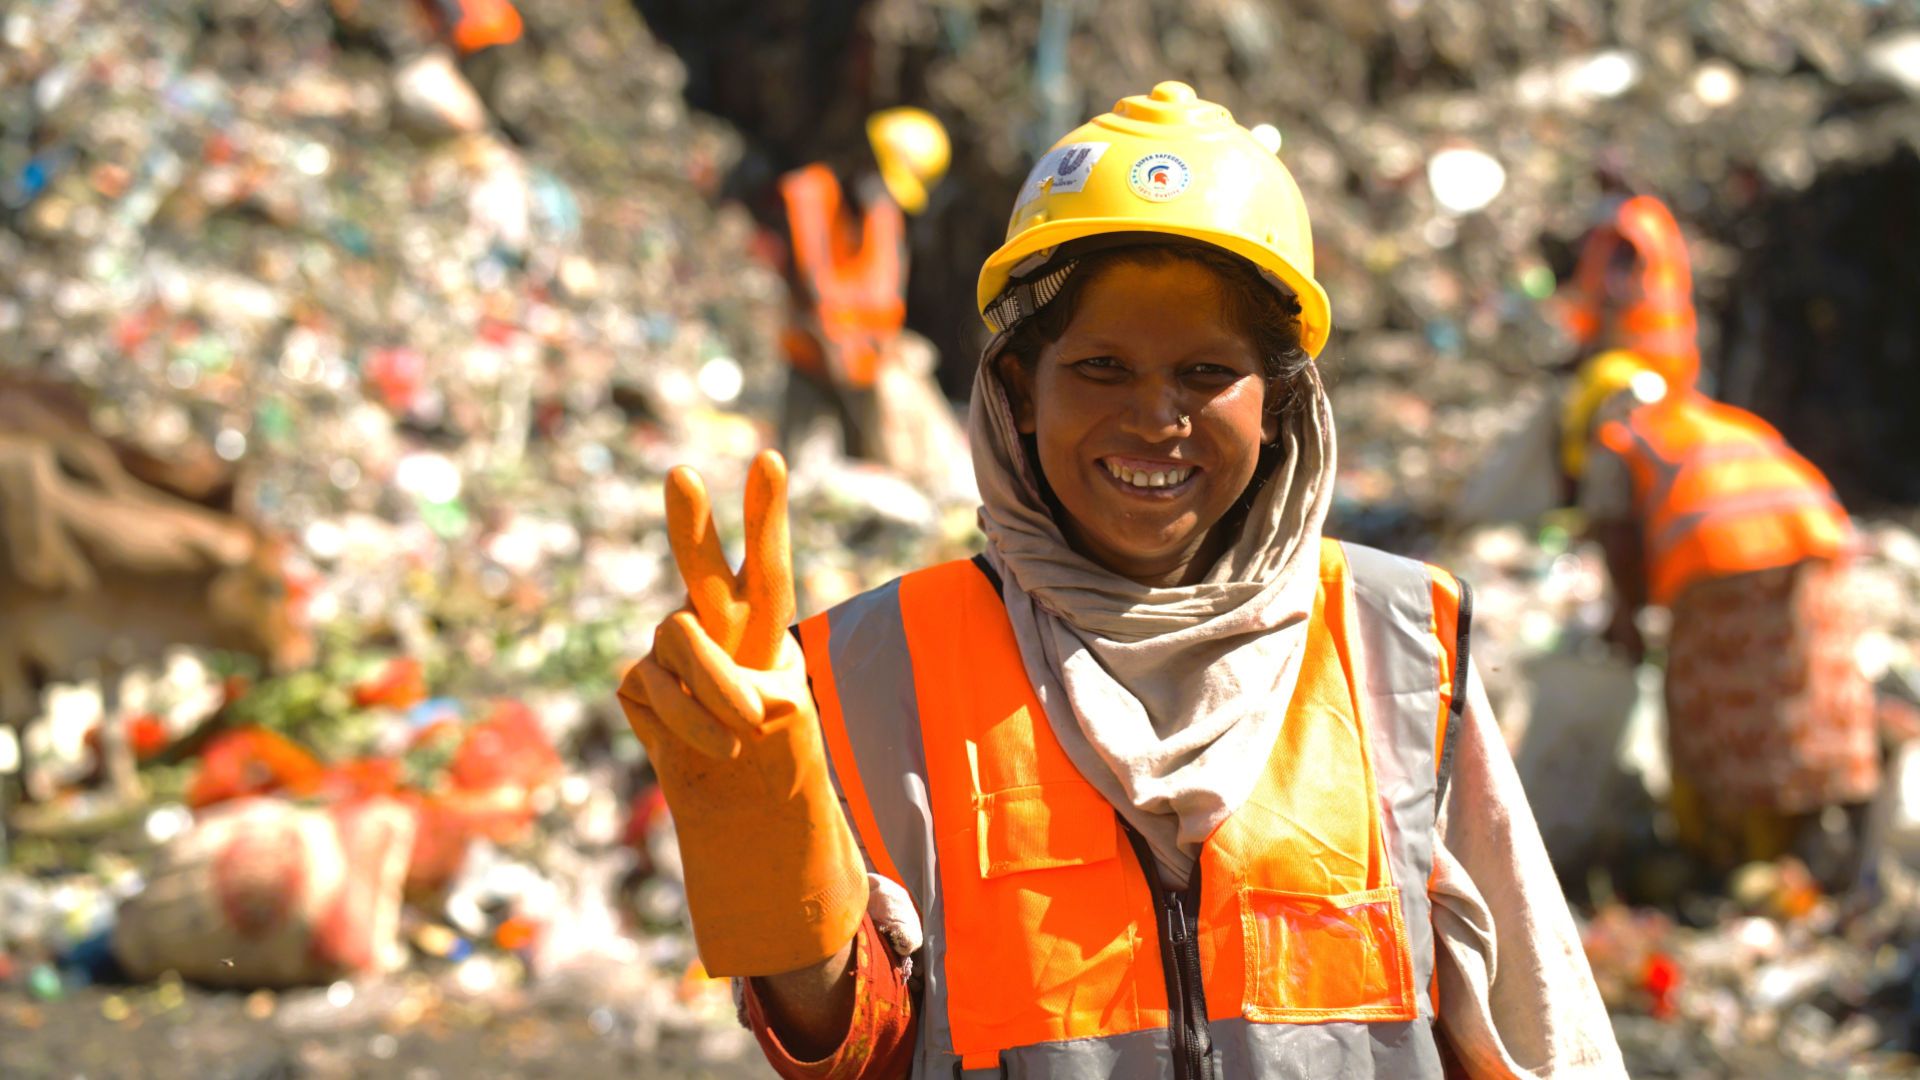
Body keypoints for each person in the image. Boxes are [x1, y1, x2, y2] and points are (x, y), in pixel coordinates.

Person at [619, 82, 1623, 1078]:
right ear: (1020, 392)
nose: (1155, 418)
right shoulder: (875, 672)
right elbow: (856, 1048)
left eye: (1206, 373)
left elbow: (1539, 1036)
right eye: (1102, 368)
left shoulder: (1400, 641)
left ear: (1279, 402)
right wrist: (773, 863)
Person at [1561, 348, 1874, 888]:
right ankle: (1813, 848)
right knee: (1803, 697)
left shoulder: (1619, 439)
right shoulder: (1713, 418)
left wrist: (1627, 619)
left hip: (1720, 564)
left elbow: (1615, 533)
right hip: (1816, 551)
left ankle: (1730, 857)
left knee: (1719, 708)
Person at [777, 108, 950, 463]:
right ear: (864, 156)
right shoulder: (811, 195)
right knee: (798, 467)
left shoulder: (883, 215)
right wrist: (833, 344)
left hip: (867, 376)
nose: (883, 192)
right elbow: (805, 283)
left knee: (868, 471)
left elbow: (888, 292)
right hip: (813, 365)